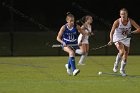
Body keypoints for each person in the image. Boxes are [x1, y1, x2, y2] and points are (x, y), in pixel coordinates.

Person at [108, 8, 140, 76]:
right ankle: (116, 64)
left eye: (124, 14)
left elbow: (139, 29)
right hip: (118, 37)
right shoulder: (117, 22)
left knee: (125, 55)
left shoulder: (130, 21)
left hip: (126, 38)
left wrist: (131, 32)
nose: (123, 15)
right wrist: (111, 40)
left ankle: (122, 70)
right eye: (122, 14)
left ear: (127, 15)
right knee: (121, 51)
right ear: (120, 15)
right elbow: (112, 32)